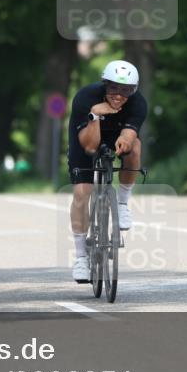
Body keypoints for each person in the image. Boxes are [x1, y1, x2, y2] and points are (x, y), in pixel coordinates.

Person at [67, 60, 146, 283]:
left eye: (126, 90)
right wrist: (94, 115)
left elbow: (130, 135)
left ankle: (121, 203)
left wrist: (125, 140)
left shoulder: (138, 104)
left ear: (134, 91)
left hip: (116, 136)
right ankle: (81, 257)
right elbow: (90, 147)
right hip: (85, 138)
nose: (119, 95)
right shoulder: (85, 97)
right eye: (113, 88)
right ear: (105, 85)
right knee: (82, 194)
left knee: (136, 147)